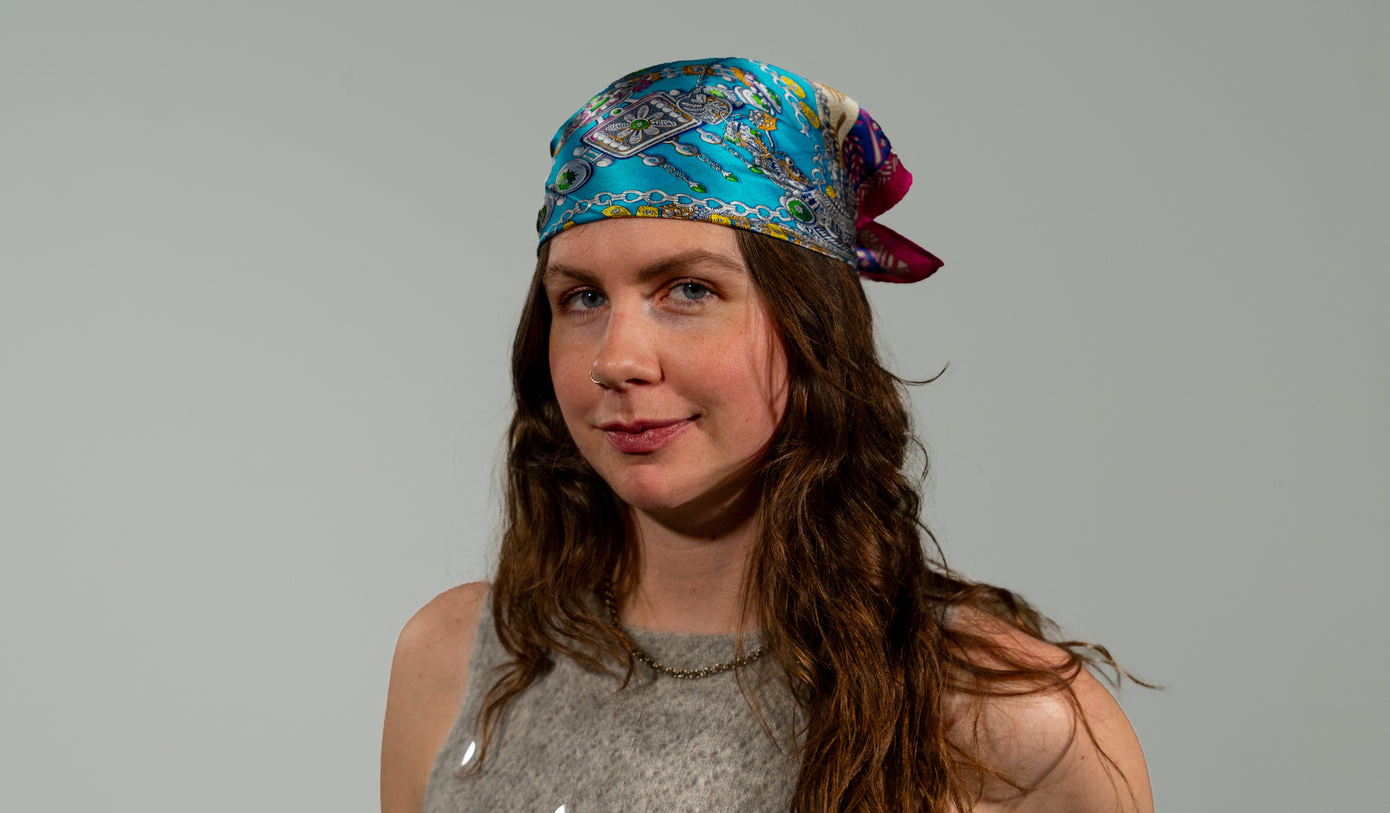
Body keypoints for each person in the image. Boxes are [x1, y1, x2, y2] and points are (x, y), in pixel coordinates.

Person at [381, 57, 1152, 812]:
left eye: (688, 289)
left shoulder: (1003, 720)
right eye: (581, 297)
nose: (615, 359)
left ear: (811, 328)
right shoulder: (459, 657)